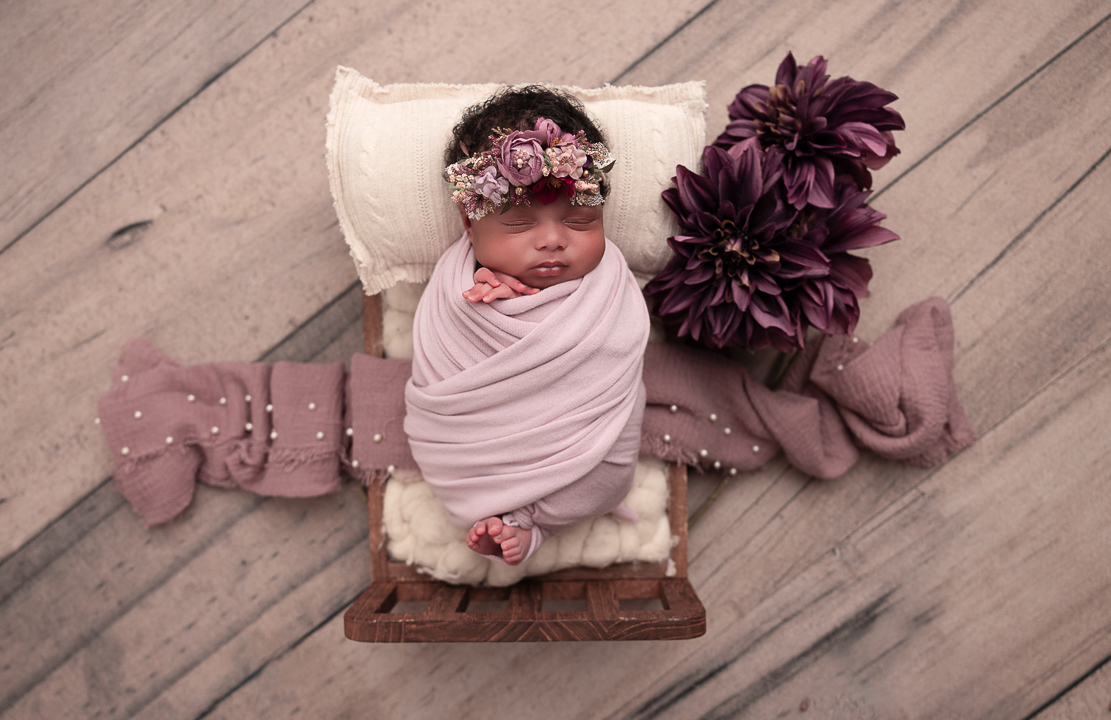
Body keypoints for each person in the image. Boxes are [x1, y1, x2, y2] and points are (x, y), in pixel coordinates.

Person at [403, 86, 650, 565]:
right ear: (469, 222)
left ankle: (538, 521)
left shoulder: (606, 285)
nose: (554, 241)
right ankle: (516, 519)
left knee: (605, 475)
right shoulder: (462, 288)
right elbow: (449, 346)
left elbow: (611, 348)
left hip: (591, 440)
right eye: (519, 225)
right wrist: (486, 304)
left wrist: (540, 306)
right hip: (477, 445)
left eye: (581, 221)